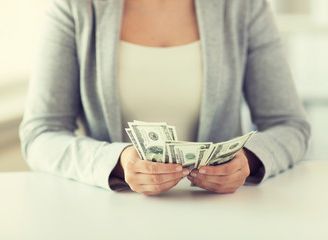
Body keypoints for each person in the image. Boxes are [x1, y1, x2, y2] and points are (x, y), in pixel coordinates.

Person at [20, 0, 311, 195]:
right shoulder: (75, 7)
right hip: (111, 217)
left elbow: (289, 125)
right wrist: (116, 163)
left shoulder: (242, 7)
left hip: (223, 218)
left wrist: (248, 160)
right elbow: (40, 133)